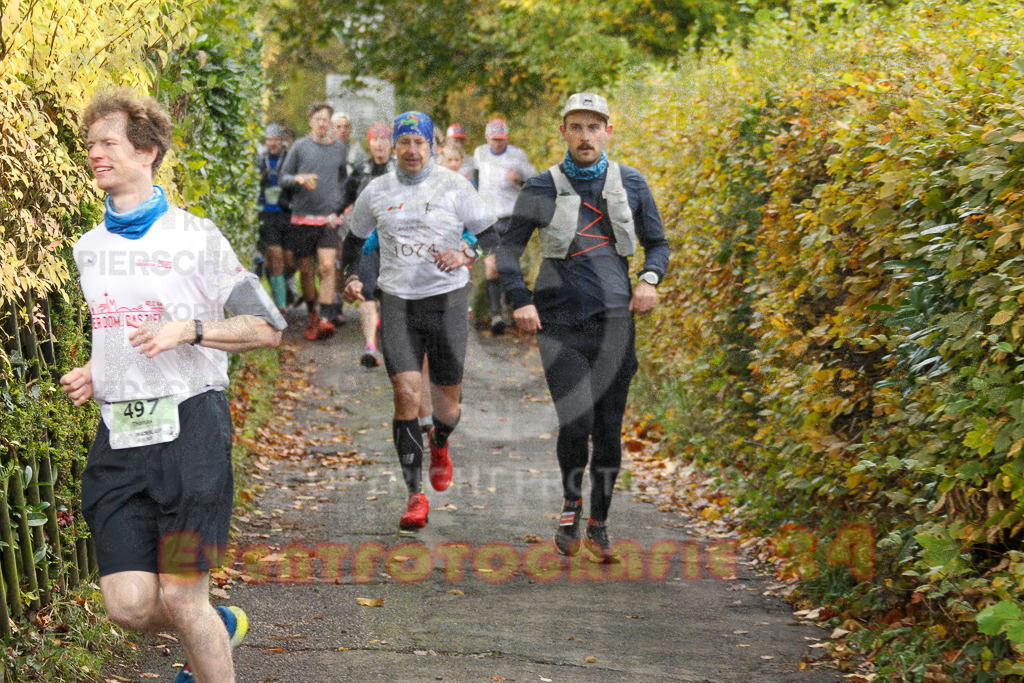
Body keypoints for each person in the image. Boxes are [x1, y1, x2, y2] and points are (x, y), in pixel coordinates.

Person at [60, 90, 286, 682]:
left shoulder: (198, 239)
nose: (94, 155)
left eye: (107, 143)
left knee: (185, 598)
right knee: (128, 606)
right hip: (122, 436)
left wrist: (190, 329)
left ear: (148, 152)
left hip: (192, 434)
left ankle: (202, 633)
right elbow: (112, 328)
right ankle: (216, 626)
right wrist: (96, 372)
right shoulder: (89, 249)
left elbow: (266, 327)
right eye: (90, 145)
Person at [497, 93, 669, 562]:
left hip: (616, 323)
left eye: (594, 127)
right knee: (577, 422)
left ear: (608, 132)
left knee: (610, 431)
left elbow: (657, 244)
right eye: (576, 127)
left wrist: (650, 279)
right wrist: (521, 300)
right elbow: (508, 250)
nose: (585, 135)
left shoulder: (631, 182)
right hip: (560, 324)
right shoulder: (541, 187)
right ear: (564, 132)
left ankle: (600, 524)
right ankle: (572, 505)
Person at [344, 111, 497, 530]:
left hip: (447, 302)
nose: (412, 151)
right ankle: (415, 495)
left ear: (432, 147)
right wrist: (353, 276)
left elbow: (490, 233)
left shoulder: (454, 185)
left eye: (420, 143)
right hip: (398, 304)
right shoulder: (376, 191)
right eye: (404, 142)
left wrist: (466, 255)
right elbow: (354, 241)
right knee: (407, 394)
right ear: (394, 146)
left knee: (447, 405)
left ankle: (441, 441)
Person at [280, 101, 348, 340]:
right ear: (310, 121)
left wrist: (338, 209)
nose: (322, 124)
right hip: (302, 218)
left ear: (330, 122)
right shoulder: (300, 147)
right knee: (307, 273)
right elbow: (283, 178)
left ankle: (327, 318)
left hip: (328, 219)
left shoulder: (340, 148)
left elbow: (343, 183)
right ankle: (313, 317)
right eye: (317, 119)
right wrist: (299, 178)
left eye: (325, 119)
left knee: (328, 267)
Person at [341, 121, 396, 368]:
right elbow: (345, 197)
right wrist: (336, 213)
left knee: (391, 292)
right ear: (370, 143)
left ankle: (389, 338)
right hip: (365, 241)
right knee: (367, 290)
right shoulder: (360, 170)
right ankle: (369, 346)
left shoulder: (401, 171)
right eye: (376, 140)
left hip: (394, 241)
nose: (380, 144)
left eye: (385, 140)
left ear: (391, 144)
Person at [474, 117, 535, 334]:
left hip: (511, 217)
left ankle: (509, 304)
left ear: (506, 138)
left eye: (501, 140)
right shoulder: (479, 154)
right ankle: (496, 315)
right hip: (488, 218)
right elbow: (473, 179)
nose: (497, 144)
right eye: (494, 139)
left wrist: (518, 178)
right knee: (491, 266)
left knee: (508, 265)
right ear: (487, 137)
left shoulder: (517, 155)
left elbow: (534, 178)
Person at [257, 123, 293, 313]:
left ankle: (284, 286)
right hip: (268, 214)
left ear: (282, 141)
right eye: (269, 139)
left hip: (287, 213)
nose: (272, 143)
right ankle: (281, 306)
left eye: (276, 139)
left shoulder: (288, 159)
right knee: (276, 258)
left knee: (289, 261)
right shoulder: (259, 159)